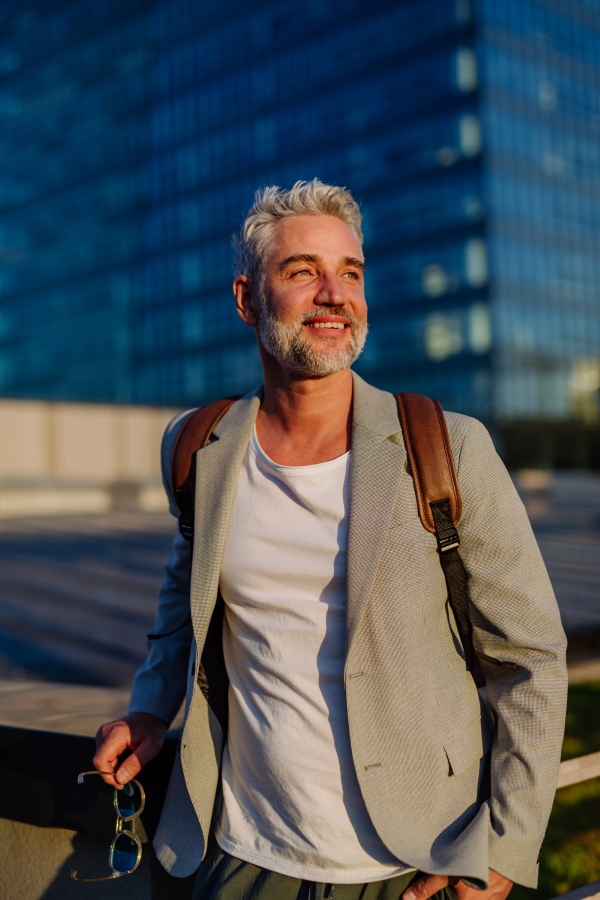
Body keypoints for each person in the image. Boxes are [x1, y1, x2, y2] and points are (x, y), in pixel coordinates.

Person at [94, 180, 568, 900]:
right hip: (241, 857)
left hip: (416, 863)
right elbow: (180, 600)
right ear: (247, 300)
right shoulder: (199, 449)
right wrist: (150, 708)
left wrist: (503, 844)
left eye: (350, 272)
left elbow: (530, 657)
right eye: (302, 271)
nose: (334, 293)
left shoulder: (448, 447)